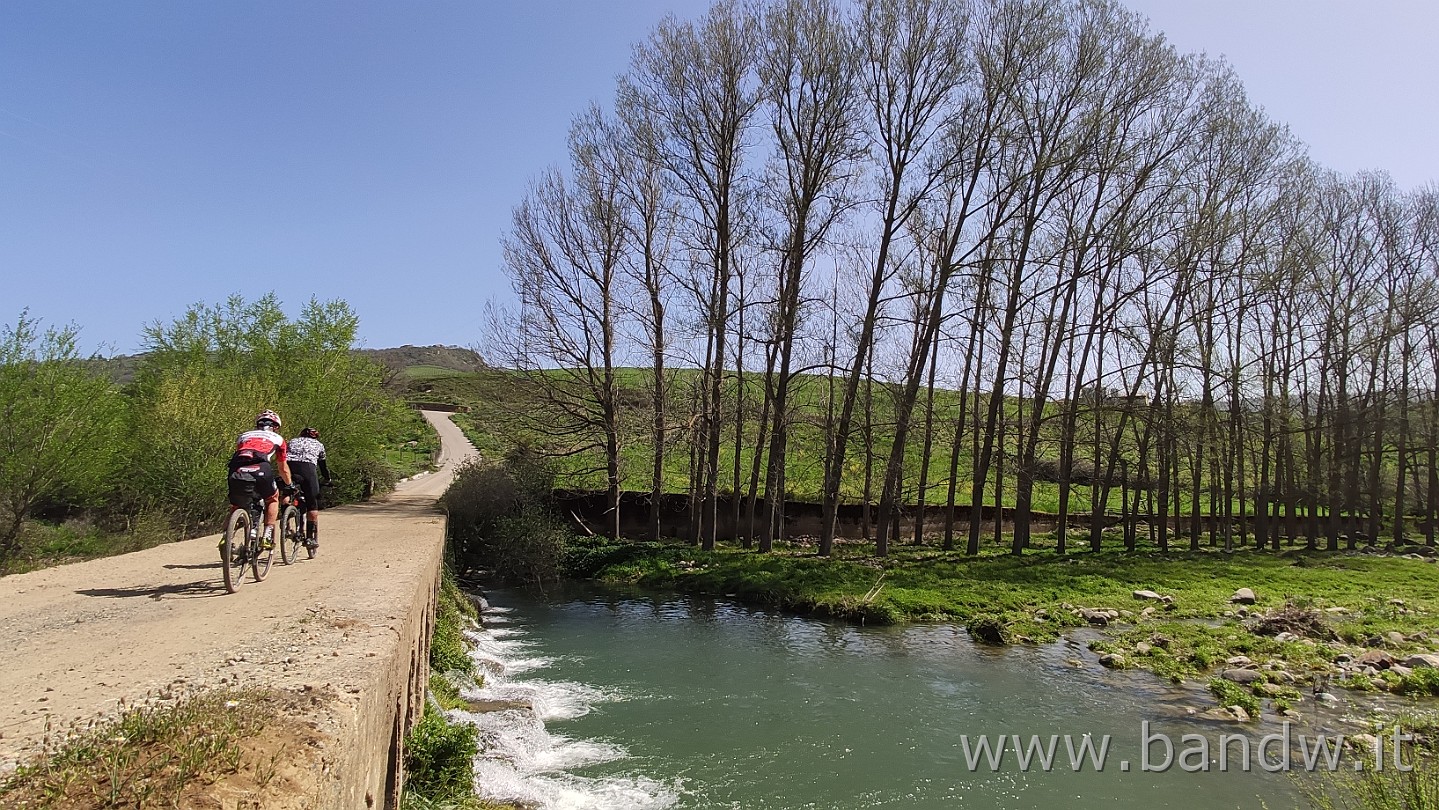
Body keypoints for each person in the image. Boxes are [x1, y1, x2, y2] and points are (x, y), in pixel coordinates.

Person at [226, 409, 292, 549]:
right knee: (273, 498)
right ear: (276, 427)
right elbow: (283, 468)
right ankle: (267, 535)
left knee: (236, 504)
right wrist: (289, 484)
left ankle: (226, 537)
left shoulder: (243, 436)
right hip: (261, 468)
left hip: (237, 469)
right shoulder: (279, 439)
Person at [286, 426, 331, 550]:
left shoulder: (292, 441)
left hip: (289, 468)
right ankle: (310, 538)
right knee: (312, 503)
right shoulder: (319, 445)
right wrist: (328, 479)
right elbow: (323, 466)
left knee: (286, 491)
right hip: (308, 470)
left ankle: (286, 519)